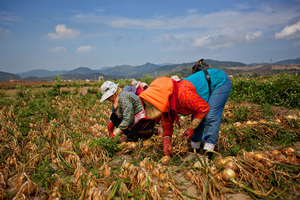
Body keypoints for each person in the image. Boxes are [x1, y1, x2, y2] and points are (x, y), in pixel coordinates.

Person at [139, 67, 231, 158]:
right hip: (206, 88)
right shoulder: (166, 103)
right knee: (196, 117)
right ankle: (195, 149)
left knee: (211, 115)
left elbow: (203, 108)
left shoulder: (182, 95)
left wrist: (191, 129)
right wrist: (166, 143)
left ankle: (208, 151)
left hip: (219, 82)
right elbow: (167, 124)